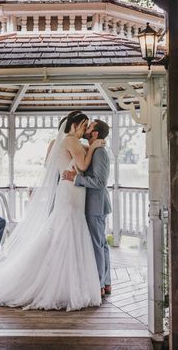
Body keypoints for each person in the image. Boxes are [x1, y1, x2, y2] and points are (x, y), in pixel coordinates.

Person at [0, 112, 105, 310]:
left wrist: (85, 149)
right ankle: (65, 284)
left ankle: (64, 281)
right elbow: (83, 165)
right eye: (83, 125)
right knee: (68, 232)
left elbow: (56, 163)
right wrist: (94, 147)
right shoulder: (71, 141)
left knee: (63, 232)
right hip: (72, 193)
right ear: (75, 124)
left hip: (70, 191)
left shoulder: (62, 142)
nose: (84, 130)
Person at [62, 119, 112, 297]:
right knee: (101, 244)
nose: (87, 128)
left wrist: (75, 179)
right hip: (93, 205)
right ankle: (106, 282)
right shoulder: (93, 149)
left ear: (95, 133)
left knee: (97, 245)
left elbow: (99, 182)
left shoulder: (99, 153)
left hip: (96, 205)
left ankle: (98, 284)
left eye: (89, 127)